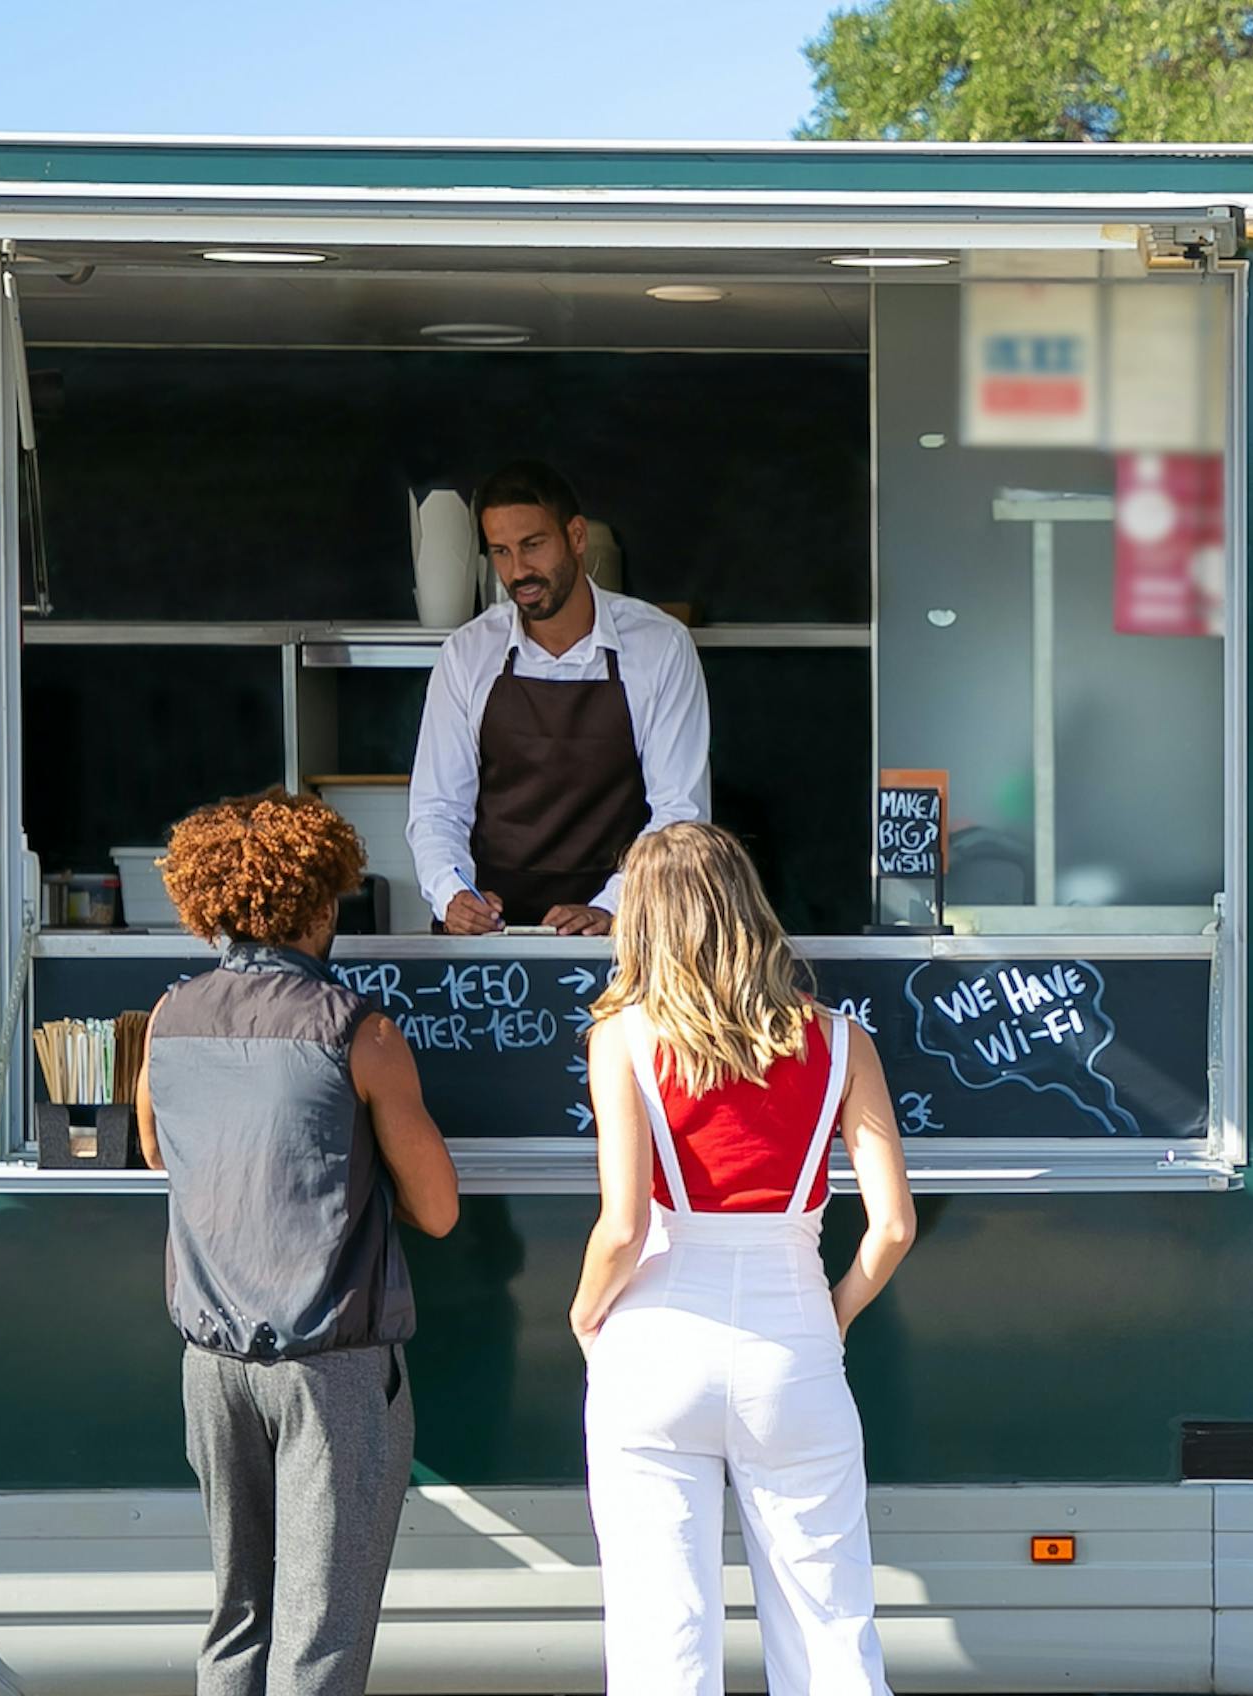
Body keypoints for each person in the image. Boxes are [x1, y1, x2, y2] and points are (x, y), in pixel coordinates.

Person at [571, 821, 919, 1696]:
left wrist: (584, 1312)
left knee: (662, 1643)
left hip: (654, 1340)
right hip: (792, 1342)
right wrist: (830, 1317)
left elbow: (621, 1227)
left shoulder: (621, 1038)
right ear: (750, 907)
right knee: (830, 1634)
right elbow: (893, 1229)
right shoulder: (842, 1042)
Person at [137, 790, 462, 1696]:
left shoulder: (167, 1020)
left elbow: (162, 1148)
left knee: (238, 1617)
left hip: (211, 1363)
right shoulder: (361, 1033)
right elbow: (437, 1209)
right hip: (332, 1369)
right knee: (319, 1637)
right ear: (320, 903)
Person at [409, 460, 712, 938]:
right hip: (493, 935)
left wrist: (615, 905)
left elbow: (681, 815)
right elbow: (437, 808)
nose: (518, 571)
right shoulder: (467, 654)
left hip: (621, 932)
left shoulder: (660, 647)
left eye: (532, 546)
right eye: (501, 553)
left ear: (575, 536)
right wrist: (453, 893)